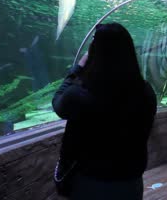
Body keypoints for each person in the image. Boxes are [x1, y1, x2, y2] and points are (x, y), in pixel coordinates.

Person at [52, 22, 157, 200]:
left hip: (89, 183)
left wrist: (76, 70)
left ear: (95, 53)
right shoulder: (146, 92)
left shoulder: (81, 95)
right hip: (130, 182)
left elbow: (58, 103)